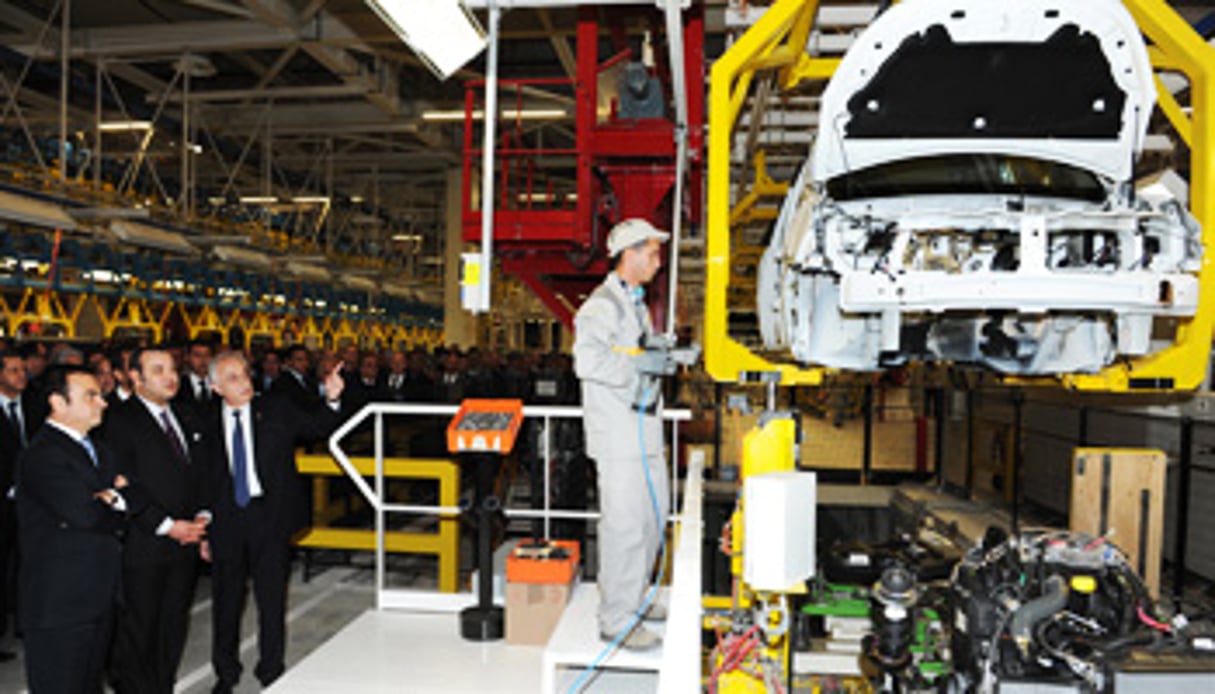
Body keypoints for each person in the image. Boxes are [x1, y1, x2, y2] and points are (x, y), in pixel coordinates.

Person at [202, 351, 344, 692]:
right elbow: (200, 478)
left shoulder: (276, 409)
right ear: (216, 386)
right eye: (233, 377)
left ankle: (271, 671)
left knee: (271, 599)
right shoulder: (201, 422)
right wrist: (203, 524)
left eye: (245, 374)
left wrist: (333, 398)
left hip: (270, 517)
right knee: (226, 602)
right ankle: (226, 673)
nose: (244, 382)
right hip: (226, 521)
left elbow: (317, 426)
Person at [573, 218, 671, 651]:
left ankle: (636, 597)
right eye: (652, 253)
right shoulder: (602, 306)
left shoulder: (634, 303)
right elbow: (588, 362)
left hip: (645, 433)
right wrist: (637, 369)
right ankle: (617, 619)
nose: (658, 261)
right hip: (619, 439)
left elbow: (633, 354)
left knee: (653, 521)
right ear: (629, 254)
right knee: (625, 528)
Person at [103, 348, 210, 694]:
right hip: (143, 543)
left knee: (172, 625)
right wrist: (166, 525)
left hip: (185, 542)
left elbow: (203, 473)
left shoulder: (185, 415)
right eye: (159, 369)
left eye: (173, 369)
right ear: (135, 377)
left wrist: (202, 518)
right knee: (139, 630)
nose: (171, 376)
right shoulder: (118, 420)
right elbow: (122, 484)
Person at [16, 365, 127, 693]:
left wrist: (110, 498)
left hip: (97, 595)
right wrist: (114, 498)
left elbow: (133, 495)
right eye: (90, 395)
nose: (102, 402)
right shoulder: (42, 455)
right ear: (58, 403)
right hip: (61, 604)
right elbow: (86, 514)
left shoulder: (99, 450)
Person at [0, 349, 43, 662]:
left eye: (22, 370)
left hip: (33, 503)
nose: (21, 375)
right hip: (2, 503)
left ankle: (26, 623)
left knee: (29, 566)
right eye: (13, 370)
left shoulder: (34, 405)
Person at [174, 339, 214, 415]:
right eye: (197, 355)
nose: (203, 360)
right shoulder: (178, 386)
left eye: (207, 355)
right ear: (187, 357)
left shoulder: (221, 384)